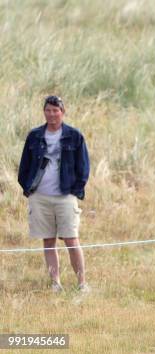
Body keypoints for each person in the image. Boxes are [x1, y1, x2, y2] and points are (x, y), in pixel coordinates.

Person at [18, 95, 90, 292]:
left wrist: (74, 191)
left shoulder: (74, 136)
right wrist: (29, 190)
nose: (51, 114)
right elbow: (24, 167)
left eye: (55, 110)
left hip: (66, 196)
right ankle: (55, 283)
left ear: (62, 112)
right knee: (48, 240)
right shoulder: (34, 136)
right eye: (48, 110)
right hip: (40, 196)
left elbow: (83, 168)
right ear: (44, 112)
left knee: (71, 240)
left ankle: (82, 283)